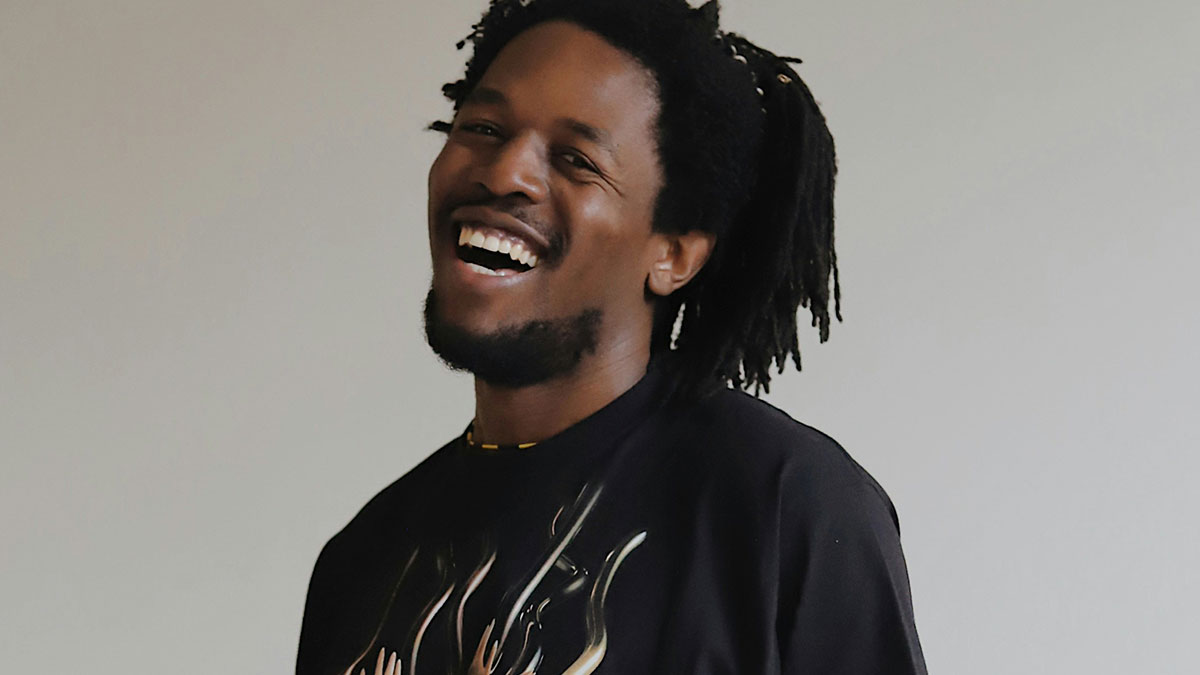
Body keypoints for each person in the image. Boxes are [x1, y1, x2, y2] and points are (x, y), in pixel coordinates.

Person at [297, 0, 926, 673]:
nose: (505, 172)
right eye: (482, 127)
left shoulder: (783, 505)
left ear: (674, 253)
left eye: (576, 159)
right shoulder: (361, 560)